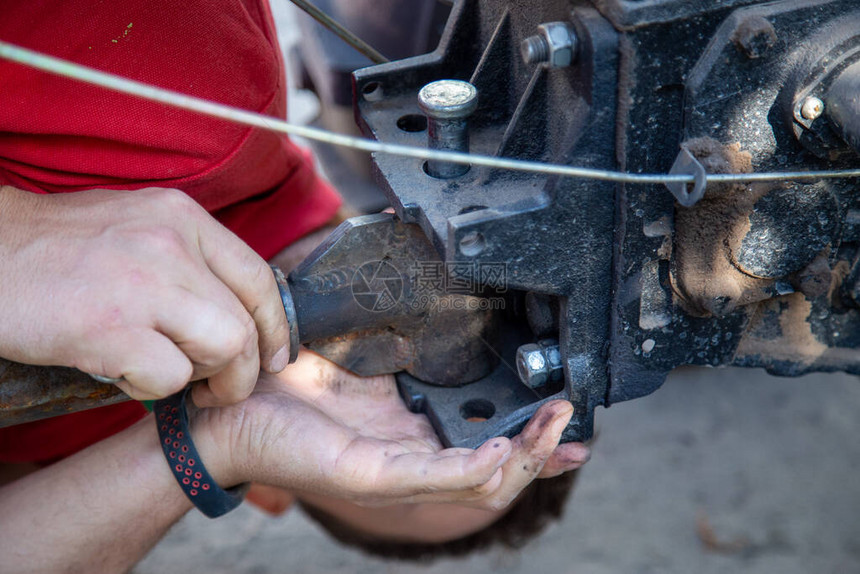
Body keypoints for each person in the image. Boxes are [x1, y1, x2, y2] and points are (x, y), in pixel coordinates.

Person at [0, 1, 590, 570]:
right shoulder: (197, 103)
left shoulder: (62, 482)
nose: (424, 434)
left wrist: (219, 445)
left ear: (269, 494)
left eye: (417, 477)